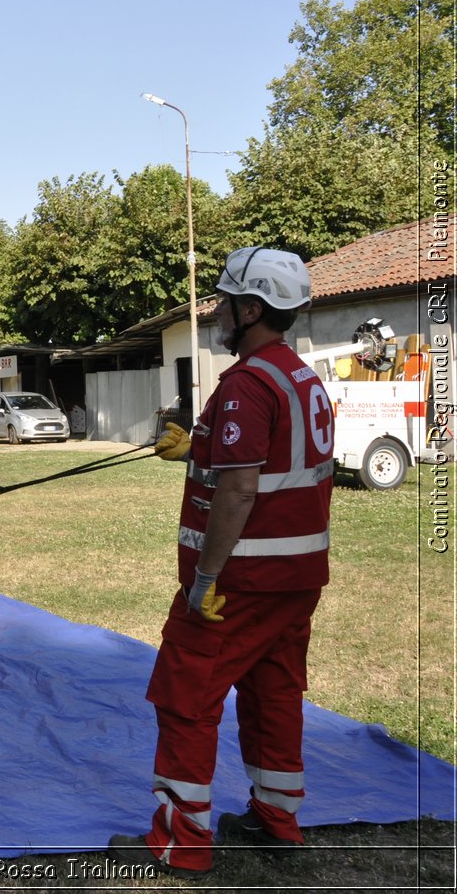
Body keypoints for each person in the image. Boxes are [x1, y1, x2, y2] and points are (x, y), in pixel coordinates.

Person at [109, 247, 334, 876]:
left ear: (252, 307)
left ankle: (182, 843)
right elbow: (269, 466)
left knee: (185, 697)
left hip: (238, 583)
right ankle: (275, 819)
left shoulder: (246, 382)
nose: (217, 313)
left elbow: (239, 490)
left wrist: (205, 577)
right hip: (296, 578)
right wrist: (194, 449)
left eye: (225, 302)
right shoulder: (299, 377)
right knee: (275, 694)